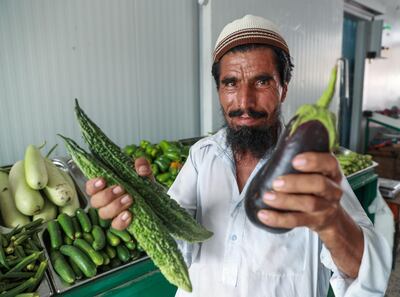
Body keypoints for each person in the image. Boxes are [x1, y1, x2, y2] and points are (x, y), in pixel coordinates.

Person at [86, 15, 391, 297]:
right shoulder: (202, 156)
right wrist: (146, 202)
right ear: (219, 89)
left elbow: (367, 278)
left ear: (283, 88)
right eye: (230, 83)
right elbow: (180, 246)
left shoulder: (312, 168)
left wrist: (332, 222)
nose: (244, 101)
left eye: (262, 81)